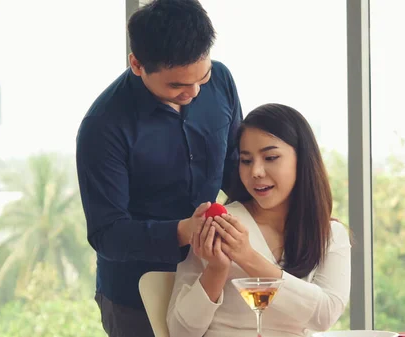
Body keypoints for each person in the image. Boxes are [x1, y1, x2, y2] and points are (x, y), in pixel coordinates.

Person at [75, 0, 242, 336]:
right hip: (133, 295)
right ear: (137, 64)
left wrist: (295, 213)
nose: (193, 93)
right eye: (176, 85)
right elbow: (107, 233)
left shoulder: (220, 81)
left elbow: (236, 169)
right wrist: (185, 230)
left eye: (201, 78)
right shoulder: (103, 126)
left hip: (208, 280)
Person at [167, 103, 351, 337]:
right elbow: (180, 332)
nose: (256, 171)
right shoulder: (222, 226)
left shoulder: (330, 233)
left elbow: (325, 316)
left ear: (302, 159)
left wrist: (248, 258)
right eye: (246, 160)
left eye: (271, 157)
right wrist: (216, 269)